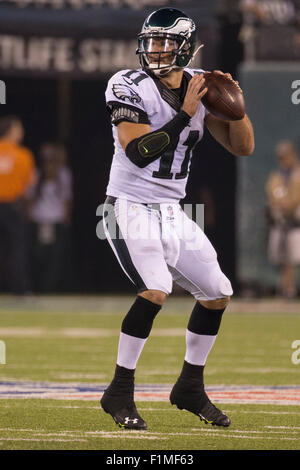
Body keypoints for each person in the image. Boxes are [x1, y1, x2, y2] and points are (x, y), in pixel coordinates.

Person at [100, 7, 254, 430]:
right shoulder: (127, 84)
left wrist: (236, 108)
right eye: (151, 41)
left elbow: (242, 148)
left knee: (217, 291)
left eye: (166, 42)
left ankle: (189, 386)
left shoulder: (201, 86)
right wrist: (185, 114)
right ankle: (118, 391)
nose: (156, 50)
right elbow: (136, 151)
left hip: (171, 209)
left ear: (185, 47)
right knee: (156, 288)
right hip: (127, 206)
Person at [27, 142, 73, 292]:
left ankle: (50, 289)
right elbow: (30, 198)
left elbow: (67, 199)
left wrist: (66, 219)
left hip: (56, 221)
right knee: (37, 256)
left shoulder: (63, 174)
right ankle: (36, 287)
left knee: (55, 259)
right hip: (38, 221)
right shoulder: (36, 174)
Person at [0, 115, 35, 295]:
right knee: (16, 250)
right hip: (13, 207)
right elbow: (28, 187)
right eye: (18, 128)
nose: (21, 131)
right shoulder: (23, 155)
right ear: (11, 130)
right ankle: (19, 290)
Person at [266, 140, 300, 298]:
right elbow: (272, 196)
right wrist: (283, 202)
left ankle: (289, 289)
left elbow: (294, 200)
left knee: (294, 259)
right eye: (281, 157)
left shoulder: (297, 175)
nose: (283, 160)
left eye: (286, 156)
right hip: (281, 224)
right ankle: (287, 290)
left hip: (296, 224)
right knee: (283, 260)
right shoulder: (276, 176)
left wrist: (287, 203)